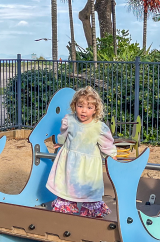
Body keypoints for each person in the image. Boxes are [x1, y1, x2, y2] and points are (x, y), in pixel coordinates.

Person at [46, 86, 118, 218]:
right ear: (74, 106)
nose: (84, 111)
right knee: (67, 186)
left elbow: (106, 143)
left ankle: (89, 216)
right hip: (70, 163)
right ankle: (66, 213)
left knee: (89, 189)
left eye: (89, 108)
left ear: (95, 110)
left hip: (89, 166)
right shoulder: (70, 120)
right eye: (80, 106)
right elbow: (63, 134)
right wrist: (60, 143)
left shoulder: (98, 126)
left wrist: (112, 154)